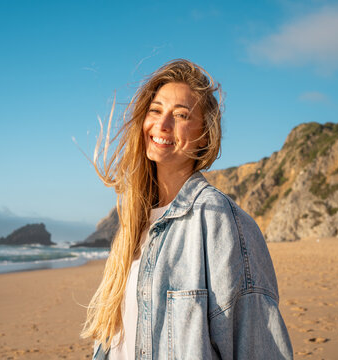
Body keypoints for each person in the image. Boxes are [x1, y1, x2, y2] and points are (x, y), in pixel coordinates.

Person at [81, 59, 293, 359]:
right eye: (156, 110)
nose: (162, 125)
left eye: (181, 115)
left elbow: (259, 348)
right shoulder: (134, 222)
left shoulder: (220, 222)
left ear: (205, 135)